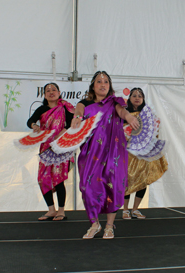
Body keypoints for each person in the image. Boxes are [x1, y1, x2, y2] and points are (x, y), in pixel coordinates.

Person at [71, 71, 139, 239]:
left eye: (106, 82)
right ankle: (95, 224)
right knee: (87, 187)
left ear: (109, 86)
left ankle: (109, 226)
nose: (103, 84)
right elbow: (78, 110)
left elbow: (122, 112)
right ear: (93, 86)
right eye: (99, 81)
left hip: (113, 152)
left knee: (113, 185)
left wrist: (129, 116)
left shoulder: (114, 102)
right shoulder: (85, 103)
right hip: (91, 153)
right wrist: (78, 117)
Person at [27, 82, 74, 221]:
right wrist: (34, 125)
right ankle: (51, 210)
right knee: (42, 178)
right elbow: (30, 121)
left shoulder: (65, 107)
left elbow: (72, 122)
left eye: (54, 89)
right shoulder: (42, 109)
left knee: (58, 178)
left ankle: (61, 211)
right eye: (48, 90)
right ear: (45, 95)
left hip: (60, 146)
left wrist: (63, 133)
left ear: (59, 93)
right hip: (45, 147)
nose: (51, 92)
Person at [122, 88, 168, 220]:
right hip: (128, 152)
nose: (137, 98)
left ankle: (135, 209)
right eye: (134, 95)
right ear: (130, 98)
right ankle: (125, 210)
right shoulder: (124, 114)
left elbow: (154, 132)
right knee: (128, 179)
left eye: (140, 96)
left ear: (143, 99)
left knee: (143, 179)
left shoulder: (148, 114)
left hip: (144, 153)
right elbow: (119, 131)